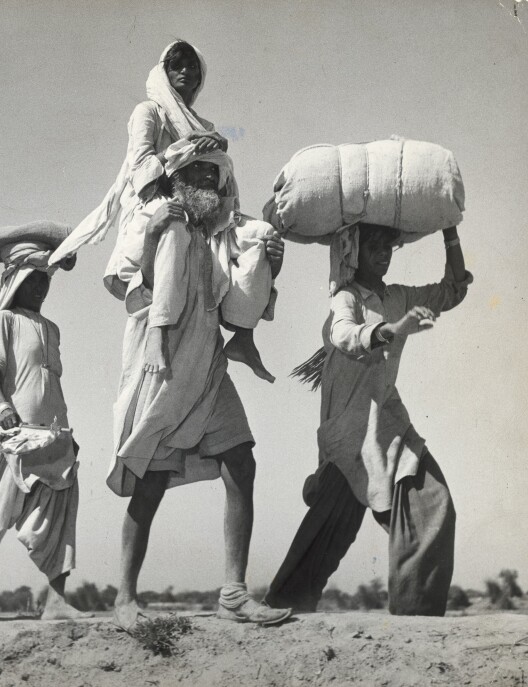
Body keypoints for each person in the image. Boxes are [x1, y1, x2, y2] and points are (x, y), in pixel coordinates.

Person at [107, 143, 291, 630]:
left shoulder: (219, 237)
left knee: (241, 460)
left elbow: (237, 304)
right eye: (199, 174)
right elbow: (117, 280)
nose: (209, 182)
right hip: (161, 362)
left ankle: (233, 592)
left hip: (207, 363)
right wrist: (152, 237)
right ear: (179, 178)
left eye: (215, 175)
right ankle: (124, 596)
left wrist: (270, 261)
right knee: (149, 479)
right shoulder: (152, 217)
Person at [265, 223, 471, 616]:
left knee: (432, 503)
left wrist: (450, 232)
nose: (385, 252)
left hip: (388, 425)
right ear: (351, 253)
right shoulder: (345, 298)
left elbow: (453, 289)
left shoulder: (398, 297)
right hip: (349, 432)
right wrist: (394, 330)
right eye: (373, 245)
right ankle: (283, 607)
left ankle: (418, 616)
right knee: (329, 529)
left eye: (388, 245)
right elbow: (345, 335)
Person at [49, 41, 274, 381]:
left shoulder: (204, 125)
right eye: (176, 65)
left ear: (200, 77)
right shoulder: (148, 112)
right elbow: (141, 172)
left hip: (203, 208)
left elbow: (216, 179)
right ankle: (157, 329)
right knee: (173, 227)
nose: (185, 71)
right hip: (158, 203)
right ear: (164, 71)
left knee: (264, 236)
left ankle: (244, 334)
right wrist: (190, 150)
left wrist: (217, 153)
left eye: (192, 66)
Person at [0, 221, 89, 622]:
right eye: (33, 279)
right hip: (14, 434)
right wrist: (3, 406)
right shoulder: (4, 320)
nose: (41, 287)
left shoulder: (52, 329)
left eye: (45, 280)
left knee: (60, 514)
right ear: (17, 281)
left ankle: (56, 600)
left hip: (55, 433)